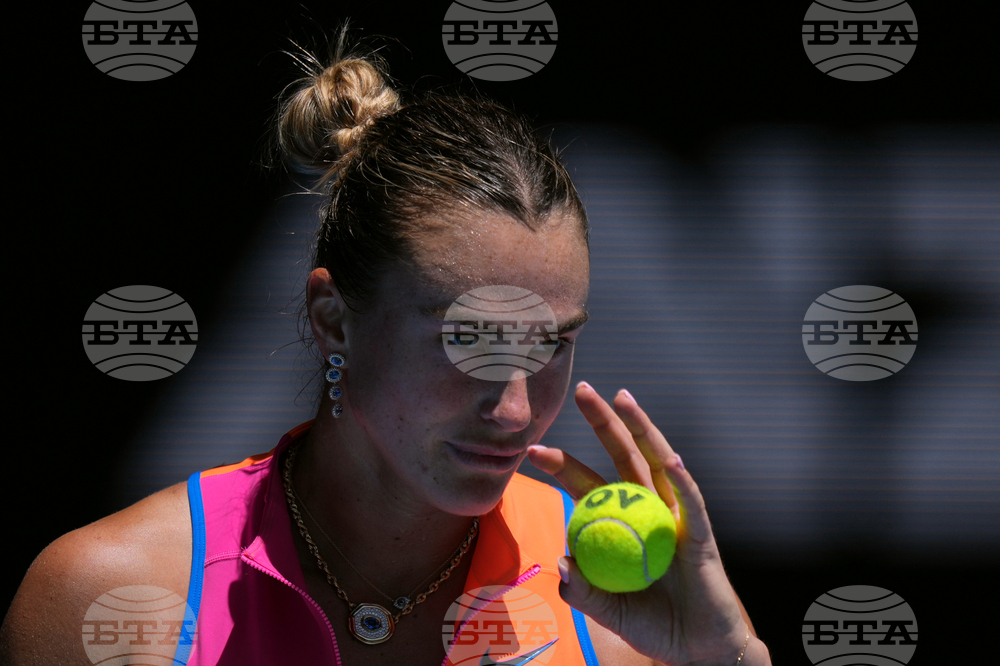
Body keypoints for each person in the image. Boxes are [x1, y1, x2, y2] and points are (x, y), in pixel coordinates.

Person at [0, 34, 772, 666]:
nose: (513, 408)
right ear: (334, 320)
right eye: (463, 337)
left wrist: (728, 657)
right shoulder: (112, 600)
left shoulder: (619, 632)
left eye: (550, 343)